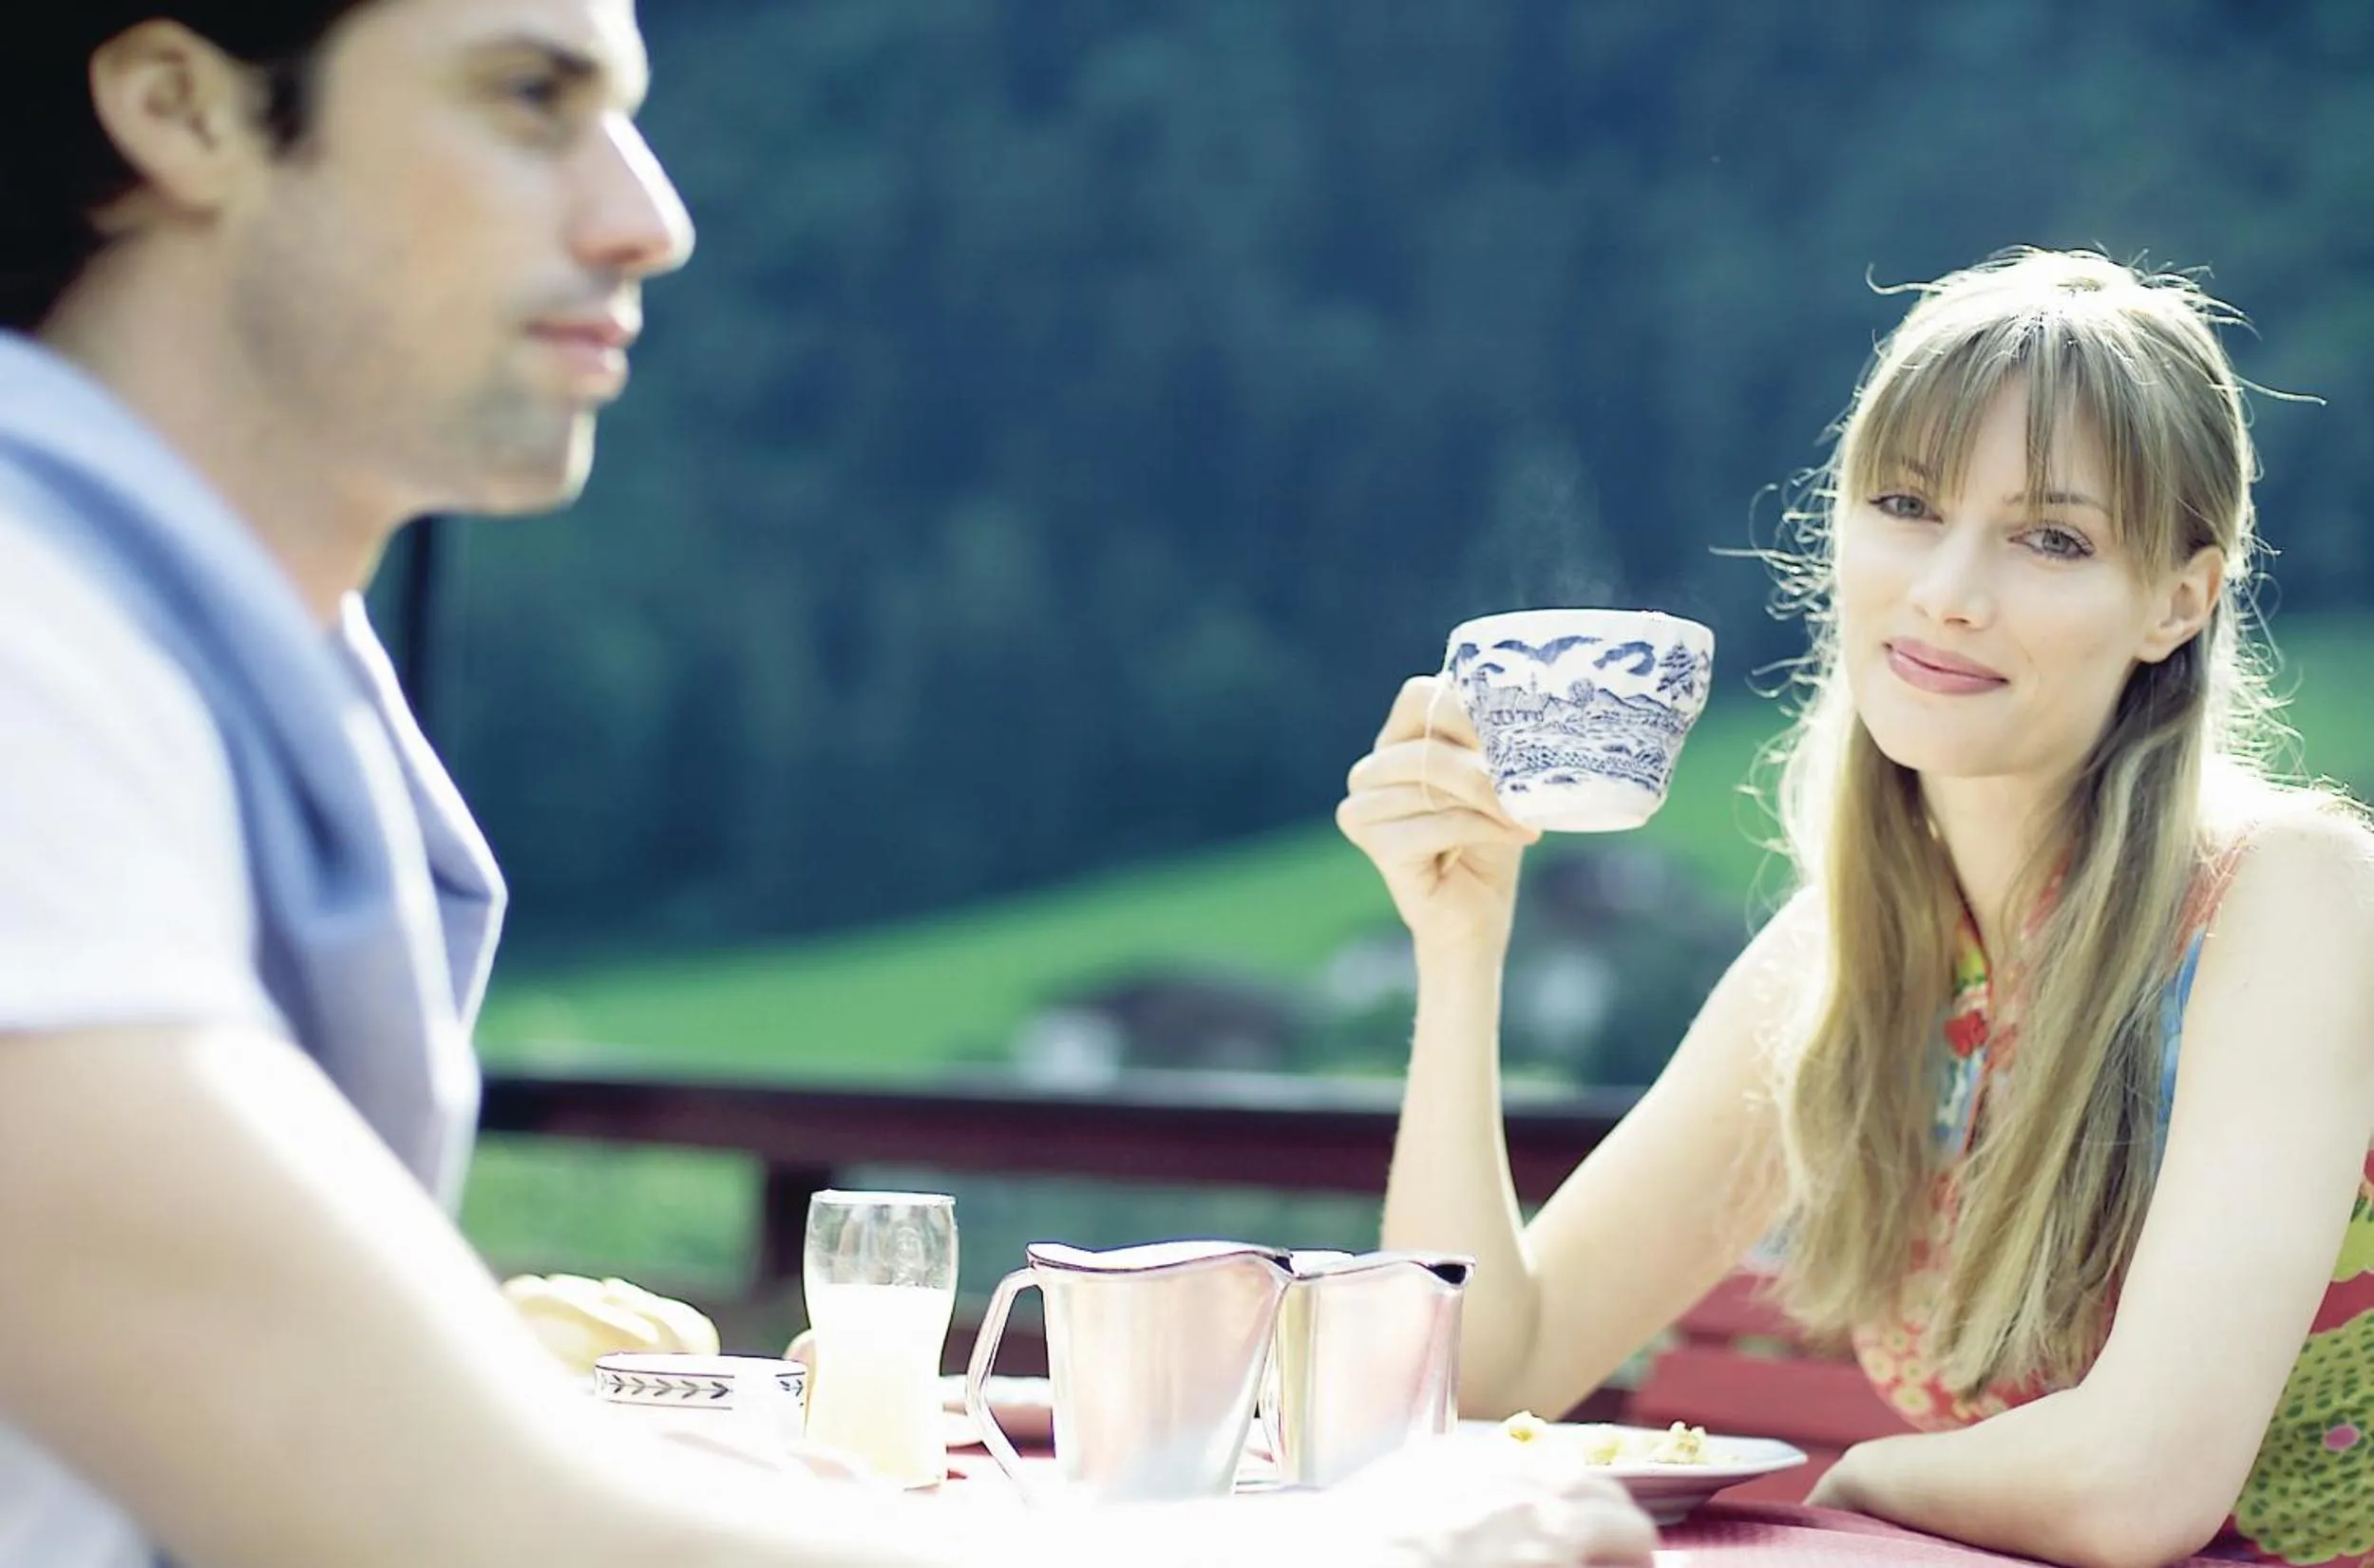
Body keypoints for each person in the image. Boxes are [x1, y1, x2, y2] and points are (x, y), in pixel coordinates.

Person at [0, 4, 1661, 1566]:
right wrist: (1314, 1542)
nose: (650, 217)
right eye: (530, 99)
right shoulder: (34, 655)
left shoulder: (209, 652)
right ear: (182, 108)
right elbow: (414, 1490)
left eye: (628, 122)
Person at [1342, 246, 2374, 1568]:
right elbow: (1486, 1374)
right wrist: (1460, 947)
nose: (1946, 586)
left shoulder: (2289, 899)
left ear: (2177, 598)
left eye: (2049, 537)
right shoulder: (1847, 962)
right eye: (1903, 502)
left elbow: (2137, 1483)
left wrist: (1843, 1486)